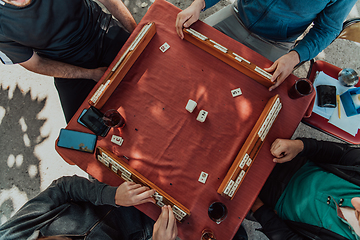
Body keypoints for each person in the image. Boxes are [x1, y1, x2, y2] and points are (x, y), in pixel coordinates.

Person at [0, 0, 137, 123]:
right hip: (65, 63)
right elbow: (36, 63)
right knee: (84, 127)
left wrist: (136, 34)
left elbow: (109, 1)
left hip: (101, 29)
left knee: (150, 68)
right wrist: (90, 74)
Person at [175, 0, 356, 91]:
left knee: (244, 94)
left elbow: (327, 29)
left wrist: (294, 57)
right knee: (181, 59)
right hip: (236, 16)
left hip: (276, 42)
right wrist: (199, 3)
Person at [0, 175, 178, 240]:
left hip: (113, 186)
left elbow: (63, 187)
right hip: (149, 230)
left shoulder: (10, 233)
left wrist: (112, 195)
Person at [248, 138, 360, 239]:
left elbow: (286, 237)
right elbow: (342, 153)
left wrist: (259, 209)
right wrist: (300, 146)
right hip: (295, 162)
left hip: (272, 201)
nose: (355, 200)